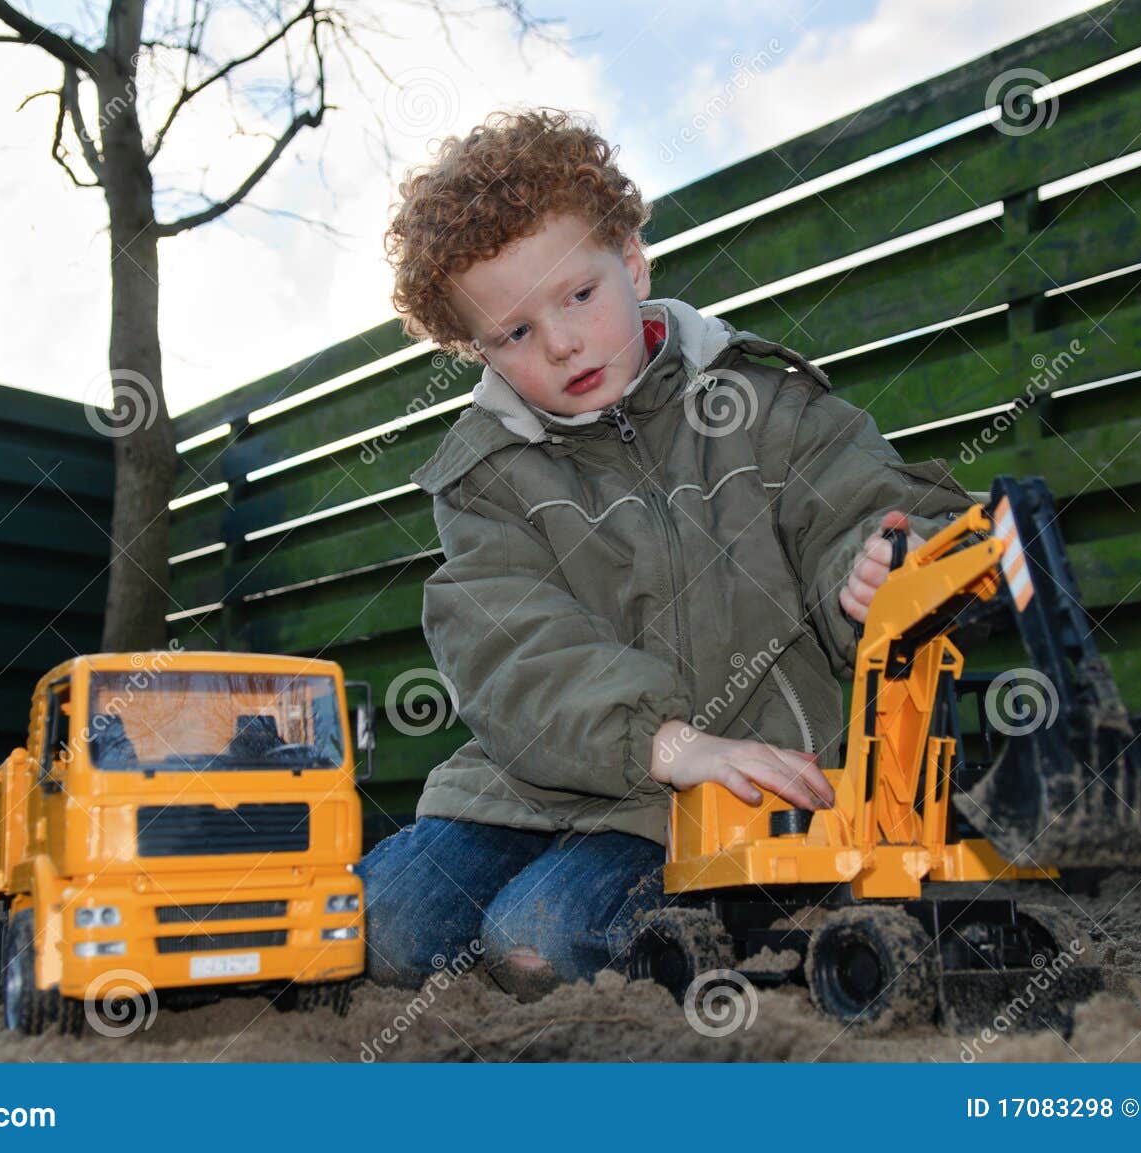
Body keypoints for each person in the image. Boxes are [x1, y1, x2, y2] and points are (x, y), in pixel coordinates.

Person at [358, 107, 973, 999]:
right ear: (477, 350)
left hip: (731, 793)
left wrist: (876, 564)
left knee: (540, 942)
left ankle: (742, 926)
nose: (562, 342)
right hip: (533, 785)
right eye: (515, 333)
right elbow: (511, 649)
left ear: (633, 262)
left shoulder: (765, 404)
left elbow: (860, 508)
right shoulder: (486, 474)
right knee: (388, 927)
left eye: (579, 296)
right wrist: (664, 739)